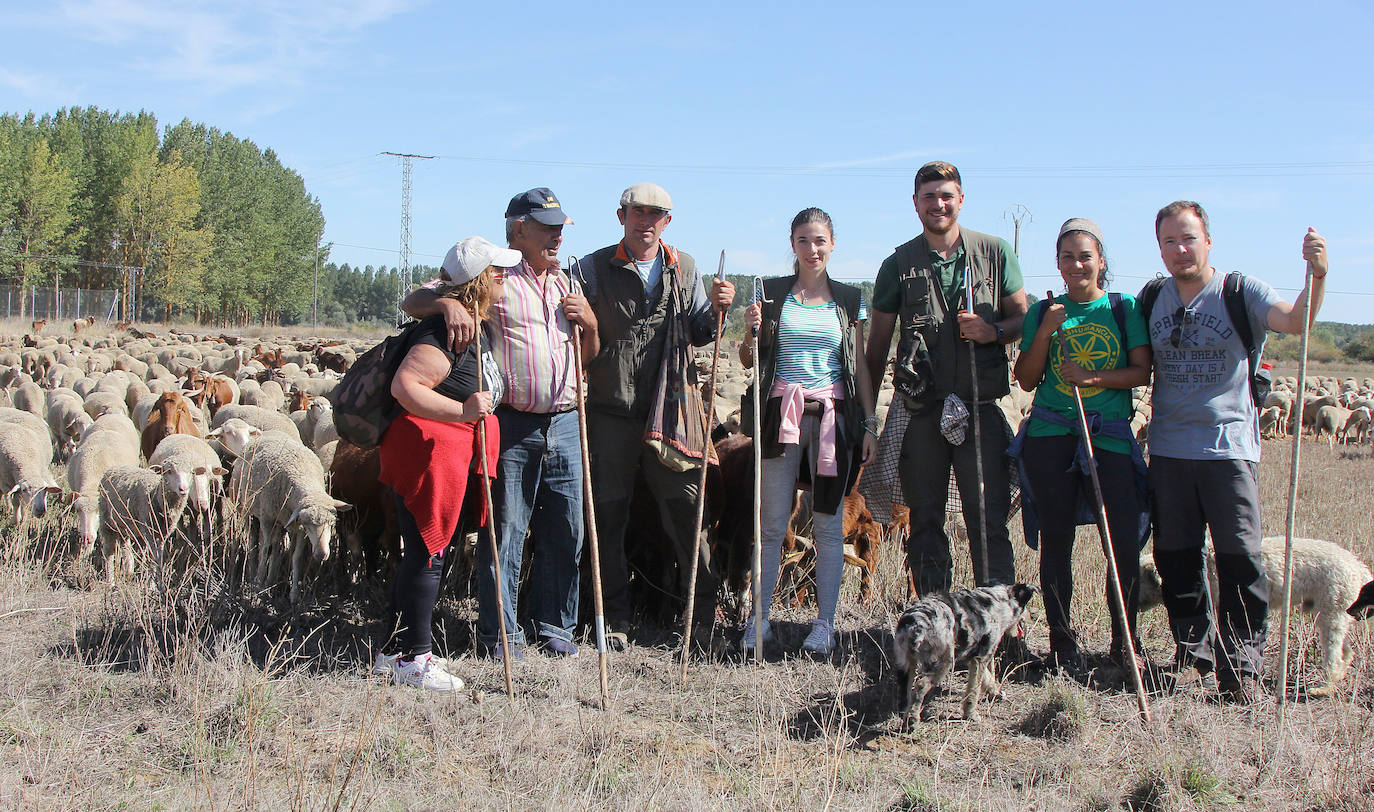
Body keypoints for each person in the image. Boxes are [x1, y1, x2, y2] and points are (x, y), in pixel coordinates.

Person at [401, 188, 598, 661]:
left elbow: (585, 357)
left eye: (560, 228)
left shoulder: (568, 282)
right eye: (547, 227)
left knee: (566, 531)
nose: (556, 236)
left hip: (568, 420)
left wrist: (590, 324)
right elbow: (414, 300)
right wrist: (444, 305)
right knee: (505, 533)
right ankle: (501, 635)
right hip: (512, 424)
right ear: (518, 229)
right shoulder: (493, 276)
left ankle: (554, 625)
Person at [1144, 201, 1328, 703]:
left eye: (1189, 238)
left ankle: (1242, 667)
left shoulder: (1238, 291)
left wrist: (1317, 274)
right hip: (1168, 451)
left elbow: (1296, 321)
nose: (1180, 250)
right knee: (1176, 558)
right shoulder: (1152, 299)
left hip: (1228, 449)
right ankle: (1192, 655)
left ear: (1208, 240)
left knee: (1240, 559)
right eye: (1169, 242)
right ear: (1158, 248)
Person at [570, 182, 735, 641]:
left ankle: (701, 617)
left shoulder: (687, 269)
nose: (646, 221)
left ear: (667, 222)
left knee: (688, 510)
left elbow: (703, 331)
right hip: (609, 411)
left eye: (656, 214)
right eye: (637, 212)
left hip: (671, 413)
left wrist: (720, 310)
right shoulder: (590, 268)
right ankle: (613, 618)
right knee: (607, 516)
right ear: (621, 216)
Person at [864, 161, 1028, 594]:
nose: (938, 204)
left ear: (961, 198)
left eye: (946, 195)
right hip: (921, 412)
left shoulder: (995, 253)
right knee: (925, 520)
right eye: (929, 196)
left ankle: (999, 628)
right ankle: (935, 623)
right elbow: (876, 349)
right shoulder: (897, 264)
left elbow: (1024, 319)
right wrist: (866, 420)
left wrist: (992, 332)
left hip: (980, 409)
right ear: (915, 203)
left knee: (987, 520)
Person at [372, 236, 516, 691]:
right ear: (483, 279)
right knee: (427, 554)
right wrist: (463, 412)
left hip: (444, 456)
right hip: (430, 457)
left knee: (423, 552)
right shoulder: (446, 332)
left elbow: (418, 296)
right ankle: (414, 659)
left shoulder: (466, 320)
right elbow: (406, 385)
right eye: (500, 271)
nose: (506, 277)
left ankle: (394, 652)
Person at [1010, 218, 1151, 682]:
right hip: (1052, 435)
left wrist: (1090, 379)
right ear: (1057, 263)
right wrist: (1048, 329)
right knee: (1057, 542)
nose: (1076, 264)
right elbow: (1027, 379)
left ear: (1101, 261)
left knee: (1122, 544)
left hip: (1106, 435)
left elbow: (1139, 372)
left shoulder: (1122, 307)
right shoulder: (1043, 311)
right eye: (1067, 256)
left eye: (1085, 256)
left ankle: (1124, 642)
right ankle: (1063, 646)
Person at [739, 207, 879, 658]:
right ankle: (758, 621)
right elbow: (750, 359)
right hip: (782, 413)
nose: (812, 249)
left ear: (832, 244)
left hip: (833, 419)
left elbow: (859, 366)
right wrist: (749, 333)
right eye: (804, 240)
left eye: (820, 240)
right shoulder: (772, 294)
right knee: (773, 522)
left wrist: (869, 423)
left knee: (828, 524)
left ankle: (824, 625)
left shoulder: (849, 298)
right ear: (793, 244)